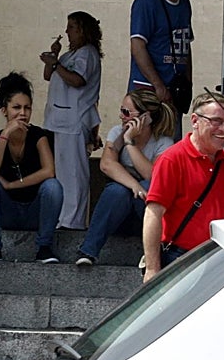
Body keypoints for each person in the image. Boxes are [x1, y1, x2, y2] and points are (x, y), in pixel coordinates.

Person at [142, 91, 224, 282]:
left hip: (222, 261)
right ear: (195, 120)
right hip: (181, 260)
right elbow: (153, 213)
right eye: (216, 121)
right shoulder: (172, 159)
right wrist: (152, 268)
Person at [75, 89, 177, 266]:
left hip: (144, 217)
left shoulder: (164, 143)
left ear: (146, 117)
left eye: (126, 112)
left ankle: (154, 254)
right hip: (117, 211)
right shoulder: (117, 132)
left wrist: (130, 142)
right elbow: (106, 165)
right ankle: (88, 251)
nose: (122, 117)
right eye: (121, 110)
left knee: (147, 186)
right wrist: (133, 186)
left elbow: (153, 176)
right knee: (117, 190)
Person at [0, 72, 63, 263]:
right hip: (7, 212)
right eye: (16, 107)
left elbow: (49, 171)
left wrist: (12, 184)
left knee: (53, 186)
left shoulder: (38, 135)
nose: (22, 113)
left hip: (34, 212)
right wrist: (6, 134)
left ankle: (44, 247)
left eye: (27, 108)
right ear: (4, 110)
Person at [39, 11, 102, 230]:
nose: (67, 32)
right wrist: (54, 58)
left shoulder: (87, 54)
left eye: (72, 27)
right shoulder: (69, 56)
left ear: (84, 30)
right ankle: (63, 217)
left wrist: (56, 64)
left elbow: (78, 80)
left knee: (74, 173)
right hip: (61, 121)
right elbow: (49, 75)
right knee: (63, 171)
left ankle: (73, 221)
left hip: (74, 121)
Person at [129, 0, 194, 115]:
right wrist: (157, 84)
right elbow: (137, 46)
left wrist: (188, 83)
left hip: (175, 90)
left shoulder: (184, 3)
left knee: (171, 139)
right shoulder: (146, 2)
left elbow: (186, 46)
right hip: (148, 89)